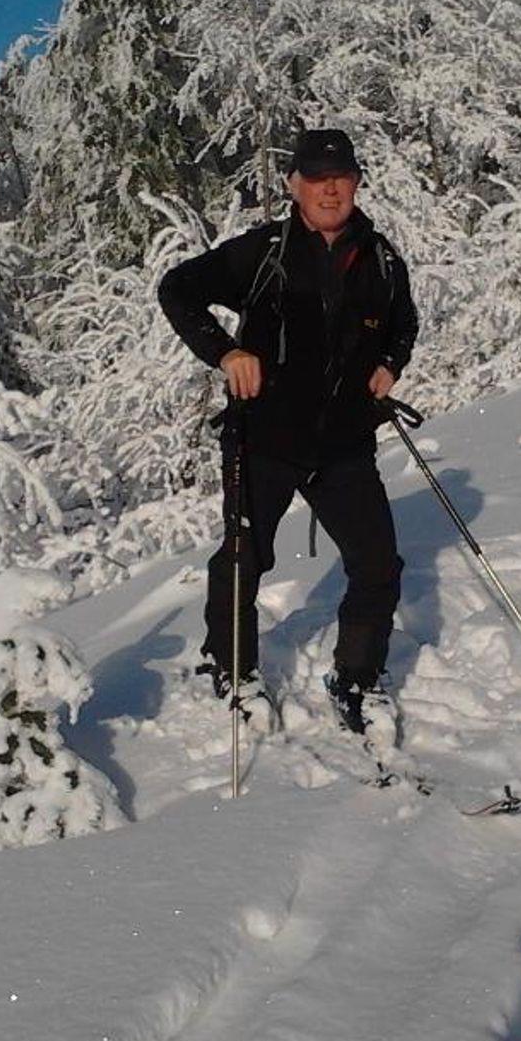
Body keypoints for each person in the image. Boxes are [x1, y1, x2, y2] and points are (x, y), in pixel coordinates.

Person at [158, 128, 419, 741]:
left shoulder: (382, 260)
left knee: (378, 563)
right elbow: (177, 289)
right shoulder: (263, 252)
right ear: (293, 185)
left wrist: (390, 365)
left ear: (356, 182)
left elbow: (403, 324)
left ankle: (357, 679)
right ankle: (233, 669)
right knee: (244, 559)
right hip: (264, 438)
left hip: (344, 443)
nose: (330, 189)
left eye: (341, 177)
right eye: (317, 178)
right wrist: (226, 353)